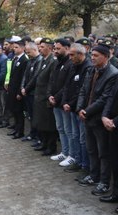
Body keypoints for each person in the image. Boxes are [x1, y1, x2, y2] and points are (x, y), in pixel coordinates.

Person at [76, 44, 118, 196]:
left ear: (106, 57)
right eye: (91, 55)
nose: (92, 58)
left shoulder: (113, 74)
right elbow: (83, 90)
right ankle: (94, 176)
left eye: (96, 56)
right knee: (91, 149)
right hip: (87, 117)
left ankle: (104, 182)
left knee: (103, 152)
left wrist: (86, 111)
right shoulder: (91, 70)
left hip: (99, 119)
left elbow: (105, 98)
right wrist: (80, 108)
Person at [61, 43, 92, 177]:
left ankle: (85, 165)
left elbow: (82, 90)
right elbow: (68, 86)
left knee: (83, 139)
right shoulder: (74, 66)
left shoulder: (88, 67)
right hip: (72, 108)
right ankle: (78, 161)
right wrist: (65, 102)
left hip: (80, 109)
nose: (70, 57)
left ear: (80, 54)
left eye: (72, 54)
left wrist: (72, 104)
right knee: (75, 136)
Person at [47, 38, 74, 166]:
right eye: (55, 48)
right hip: (55, 102)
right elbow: (52, 81)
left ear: (67, 48)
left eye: (58, 48)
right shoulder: (57, 62)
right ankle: (64, 151)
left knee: (68, 130)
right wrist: (50, 95)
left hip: (64, 102)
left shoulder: (70, 63)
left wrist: (56, 97)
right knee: (61, 128)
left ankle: (71, 155)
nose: (55, 51)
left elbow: (67, 85)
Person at [32, 38, 58, 156]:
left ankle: (51, 146)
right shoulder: (43, 60)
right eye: (40, 47)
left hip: (45, 98)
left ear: (49, 48)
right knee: (41, 122)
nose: (40, 49)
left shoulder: (53, 61)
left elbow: (51, 81)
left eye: (42, 47)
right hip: (39, 97)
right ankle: (43, 143)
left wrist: (48, 96)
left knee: (49, 124)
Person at [100, 78, 118, 214]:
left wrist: (114, 122)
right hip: (112, 126)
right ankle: (116, 194)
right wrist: (105, 116)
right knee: (115, 163)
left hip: (114, 124)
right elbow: (111, 97)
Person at [6, 40, 29, 139]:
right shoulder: (15, 59)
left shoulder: (24, 60)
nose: (14, 49)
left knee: (19, 111)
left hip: (18, 90)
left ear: (23, 48)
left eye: (16, 47)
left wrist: (20, 92)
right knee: (14, 110)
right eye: (14, 47)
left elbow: (23, 78)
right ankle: (16, 129)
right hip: (12, 89)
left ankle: (20, 131)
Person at [21, 42, 42, 143]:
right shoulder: (30, 61)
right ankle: (32, 133)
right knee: (30, 115)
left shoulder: (39, 60)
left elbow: (35, 77)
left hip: (34, 92)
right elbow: (25, 75)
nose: (27, 54)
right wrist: (22, 87)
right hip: (27, 93)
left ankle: (38, 135)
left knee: (36, 115)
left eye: (29, 52)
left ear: (35, 50)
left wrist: (26, 88)